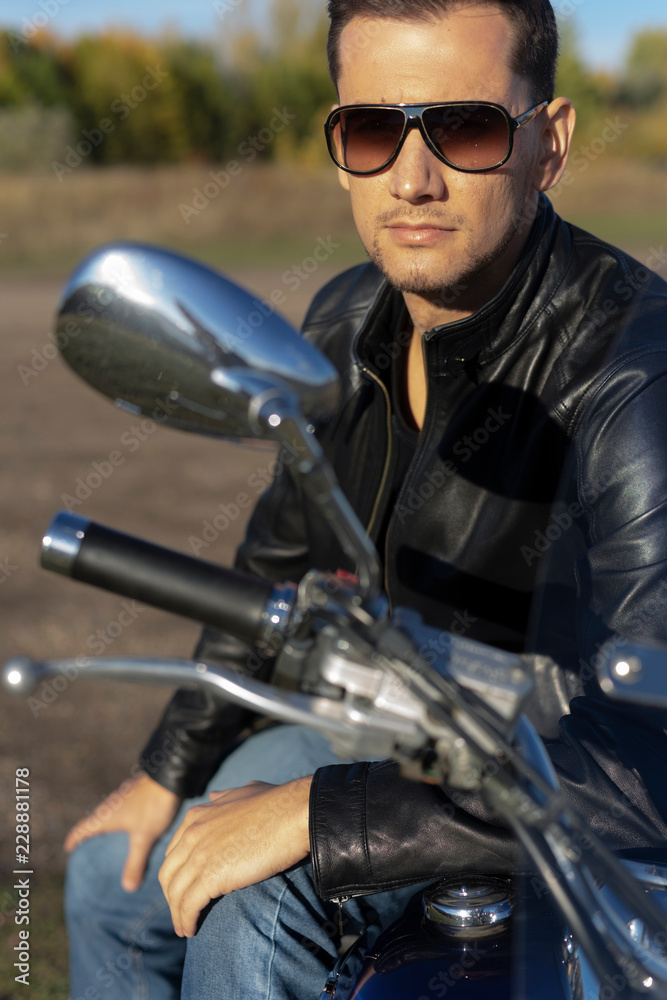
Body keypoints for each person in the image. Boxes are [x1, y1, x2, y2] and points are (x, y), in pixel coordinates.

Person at [65, 1, 667, 998]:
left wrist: (317, 812)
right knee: (101, 880)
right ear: (338, 147)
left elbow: (651, 759)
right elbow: (281, 565)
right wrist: (167, 766)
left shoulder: (634, 373)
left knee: (253, 920)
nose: (412, 177)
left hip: (548, 766)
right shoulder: (344, 316)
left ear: (548, 144)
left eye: (466, 129)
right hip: (385, 727)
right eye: (373, 129)